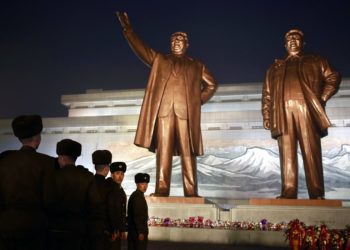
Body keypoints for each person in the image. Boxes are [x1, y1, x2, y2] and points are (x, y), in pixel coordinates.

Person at [116, 12, 217, 197]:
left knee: (188, 153)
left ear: (187, 45)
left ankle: (191, 190)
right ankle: (162, 189)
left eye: (180, 40)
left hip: (185, 114)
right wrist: (128, 31)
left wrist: (197, 101)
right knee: (163, 152)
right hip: (164, 113)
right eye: (173, 39)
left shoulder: (197, 65)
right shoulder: (160, 60)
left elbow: (211, 85)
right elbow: (142, 49)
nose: (176, 42)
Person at [262, 29, 341, 199]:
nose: (292, 40)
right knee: (287, 154)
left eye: (296, 38)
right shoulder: (275, 67)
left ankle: (316, 192)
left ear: (303, 43)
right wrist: (267, 116)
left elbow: (333, 77)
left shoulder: (316, 60)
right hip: (283, 113)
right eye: (289, 38)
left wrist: (321, 98)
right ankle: (288, 191)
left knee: (311, 151)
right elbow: (267, 94)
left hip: (307, 111)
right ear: (284, 44)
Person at [0, 114, 57, 250]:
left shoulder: (4, 161)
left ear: (19, 138)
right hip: (35, 227)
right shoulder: (48, 163)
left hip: (5, 225)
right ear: (38, 138)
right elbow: (50, 199)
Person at [48, 139, 103, 250]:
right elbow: (95, 206)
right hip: (79, 232)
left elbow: (45, 202)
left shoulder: (51, 176)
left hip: (55, 231)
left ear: (62, 157)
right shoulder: (87, 177)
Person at [92, 150, 118, 250]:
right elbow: (111, 209)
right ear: (107, 168)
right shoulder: (110, 186)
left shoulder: (88, 182)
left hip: (89, 229)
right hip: (104, 231)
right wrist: (113, 230)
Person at [127, 173, 150, 250]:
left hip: (135, 231)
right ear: (137, 184)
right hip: (137, 233)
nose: (145, 186)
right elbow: (137, 215)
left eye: (146, 184)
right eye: (142, 183)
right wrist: (140, 232)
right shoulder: (137, 197)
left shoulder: (138, 195)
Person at [109, 162, 128, 250]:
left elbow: (122, 211)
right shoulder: (109, 189)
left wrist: (122, 229)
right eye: (117, 173)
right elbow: (110, 211)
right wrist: (112, 231)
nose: (120, 177)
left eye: (122, 174)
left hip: (117, 230)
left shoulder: (120, 189)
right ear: (112, 174)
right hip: (111, 231)